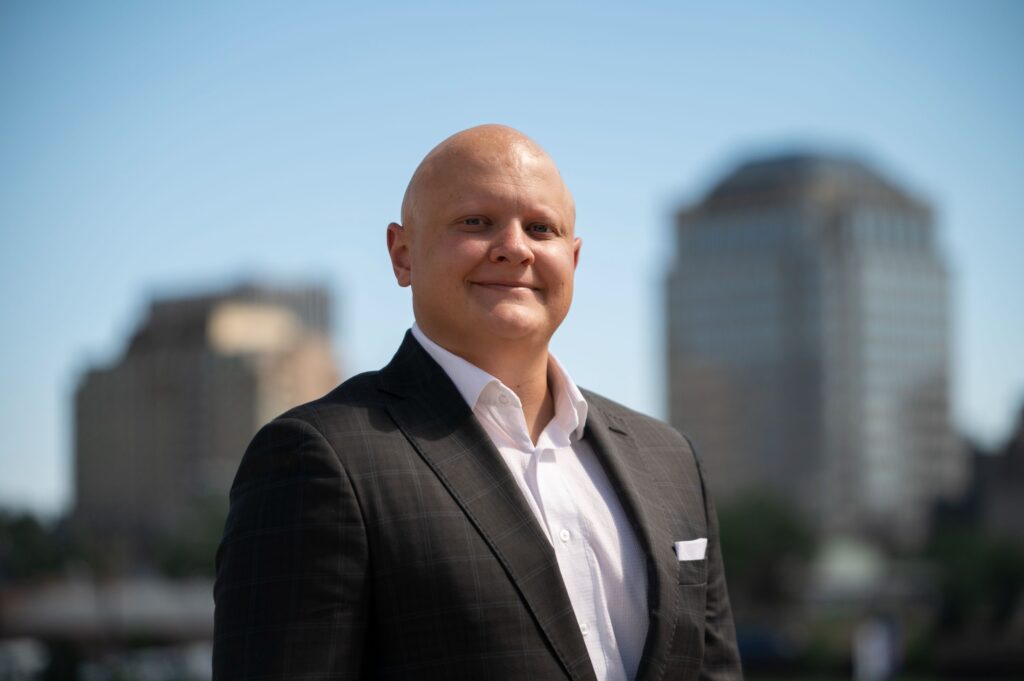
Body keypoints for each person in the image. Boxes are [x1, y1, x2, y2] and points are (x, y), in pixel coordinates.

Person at [213, 125, 743, 681]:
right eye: (476, 223)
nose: (515, 247)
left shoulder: (671, 460)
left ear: (574, 260)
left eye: (541, 228)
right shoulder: (317, 458)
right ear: (402, 254)